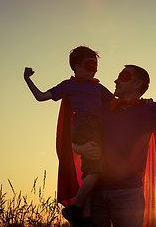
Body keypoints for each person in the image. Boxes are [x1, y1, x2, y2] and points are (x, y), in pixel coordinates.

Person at [72, 53, 156, 227]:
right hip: (95, 192)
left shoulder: (149, 110)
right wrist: (80, 148)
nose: (116, 81)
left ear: (137, 84)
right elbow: (75, 133)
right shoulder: (101, 109)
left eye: (123, 77)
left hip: (128, 194)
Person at [24, 46, 114, 227]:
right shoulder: (69, 85)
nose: (94, 69)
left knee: (90, 171)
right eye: (90, 65)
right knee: (97, 169)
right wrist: (27, 79)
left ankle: (86, 217)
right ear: (76, 66)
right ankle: (75, 208)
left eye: (96, 65)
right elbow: (41, 97)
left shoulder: (98, 87)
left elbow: (117, 104)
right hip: (84, 126)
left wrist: (141, 102)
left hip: (96, 127)